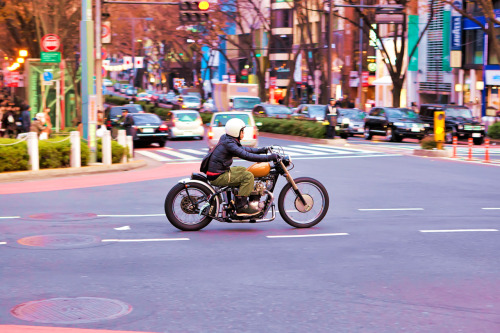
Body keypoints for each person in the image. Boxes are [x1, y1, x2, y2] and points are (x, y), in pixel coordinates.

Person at [206, 118, 278, 216]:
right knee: (248, 176)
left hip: (218, 171)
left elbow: (243, 149)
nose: (243, 133)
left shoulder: (227, 138)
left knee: (243, 170)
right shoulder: (229, 143)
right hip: (218, 175)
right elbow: (246, 155)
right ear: (236, 131)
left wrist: (261, 150)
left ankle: (238, 196)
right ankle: (241, 207)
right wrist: (269, 157)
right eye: (242, 131)